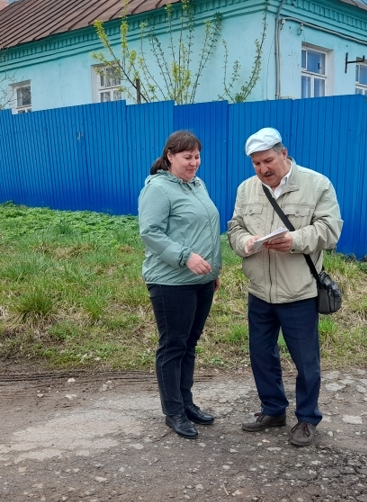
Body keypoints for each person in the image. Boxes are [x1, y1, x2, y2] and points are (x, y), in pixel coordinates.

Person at [227, 127, 342, 447]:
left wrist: (294, 240)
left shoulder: (317, 185)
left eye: (268, 161)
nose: (263, 169)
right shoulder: (246, 189)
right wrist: (244, 242)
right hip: (259, 289)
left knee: (306, 360)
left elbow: (330, 231)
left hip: (299, 291)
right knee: (261, 355)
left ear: (284, 154)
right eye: (255, 164)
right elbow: (234, 227)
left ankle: (307, 418)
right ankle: (273, 409)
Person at [138, 130, 222, 440]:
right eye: (187, 157)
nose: (194, 162)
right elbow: (151, 233)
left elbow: (207, 228)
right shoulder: (158, 189)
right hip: (171, 281)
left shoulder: (198, 185)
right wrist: (185, 257)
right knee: (173, 345)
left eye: (197, 156)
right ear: (170, 156)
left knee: (189, 343)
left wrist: (213, 270)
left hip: (201, 280)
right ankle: (172, 411)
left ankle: (186, 404)